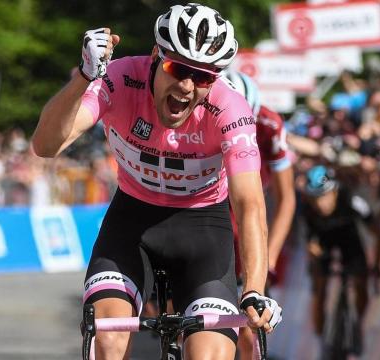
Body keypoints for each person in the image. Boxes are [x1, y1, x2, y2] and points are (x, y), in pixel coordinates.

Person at [31, 3, 282, 359]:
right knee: (107, 339)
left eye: (203, 77)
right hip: (132, 225)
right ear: (154, 56)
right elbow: (45, 145)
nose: (186, 86)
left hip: (204, 231)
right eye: (177, 68)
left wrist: (254, 289)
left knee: (210, 355)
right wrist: (85, 78)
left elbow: (249, 204)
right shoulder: (119, 78)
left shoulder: (231, 108)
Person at [224, 71, 296, 358]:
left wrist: (269, 256)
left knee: (247, 325)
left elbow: (286, 198)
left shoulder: (270, 124)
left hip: (248, 216)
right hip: (212, 212)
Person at [301, 164, 380, 357]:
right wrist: (315, 256)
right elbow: (310, 243)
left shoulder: (352, 200)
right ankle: (321, 339)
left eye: (324, 196)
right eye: (315, 198)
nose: (320, 204)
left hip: (349, 240)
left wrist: (377, 265)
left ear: (335, 191)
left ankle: (357, 324)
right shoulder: (306, 208)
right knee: (320, 288)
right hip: (323, 242)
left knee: (361, 282)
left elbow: (379, 235)